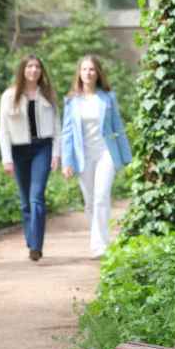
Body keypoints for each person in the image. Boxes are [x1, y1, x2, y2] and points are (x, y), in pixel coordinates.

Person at [61, 55, 132, 258]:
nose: (88, 73)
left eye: (92, 69)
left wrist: (126, 156)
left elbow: (118, 126)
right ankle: (99, 238)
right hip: (83, 156)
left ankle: (99, 244)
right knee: (90, 201)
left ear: (98, 73)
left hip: (105, 153)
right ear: (79, 73)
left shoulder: (108, 97)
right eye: (84, 69)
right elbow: (66, 133)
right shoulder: (72, 101)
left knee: (101, 197)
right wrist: (67, 161)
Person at [0, 55, 61, 262]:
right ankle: (31, 239)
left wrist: (56, 154)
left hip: (42, 148)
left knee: (37, 197)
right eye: (29, 66)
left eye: (37, 67)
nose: (34, 70)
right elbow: (3, 131)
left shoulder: (48, 95)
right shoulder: (9, 96)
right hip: (18, 150)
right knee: (25, 202)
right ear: (23, 70)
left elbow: (57, 128)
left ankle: (36, 246)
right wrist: (6, 158)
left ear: (41, 71)